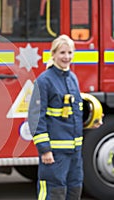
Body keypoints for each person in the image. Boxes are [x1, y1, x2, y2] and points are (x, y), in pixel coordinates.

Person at [28, 34, 102, 200]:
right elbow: (35, 117)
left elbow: (72, 112)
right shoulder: (44, 81)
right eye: (62, 53)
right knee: (54, 193)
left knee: (74, 190)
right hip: (55, 153)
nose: (66, 57)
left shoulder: (72, 78)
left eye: (70, 52)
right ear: (53, 54)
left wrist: (91, 122)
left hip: (75, 153)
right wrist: (45, 150)